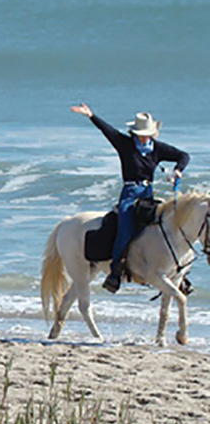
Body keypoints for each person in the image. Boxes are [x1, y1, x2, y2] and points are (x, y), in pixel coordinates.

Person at [70, 103, 190, 293]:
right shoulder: (125, 144)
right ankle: (115, 271)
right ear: (134, 133)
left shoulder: (157, 149)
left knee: (167, 224)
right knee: (125, 230)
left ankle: (178, 275)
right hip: (129, 194)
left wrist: (177, 171)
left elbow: (183, 155)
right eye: (141, 134)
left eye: (147, 134)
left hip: (148, 195)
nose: (144, 137)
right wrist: (91, 115)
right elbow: (107, 130)